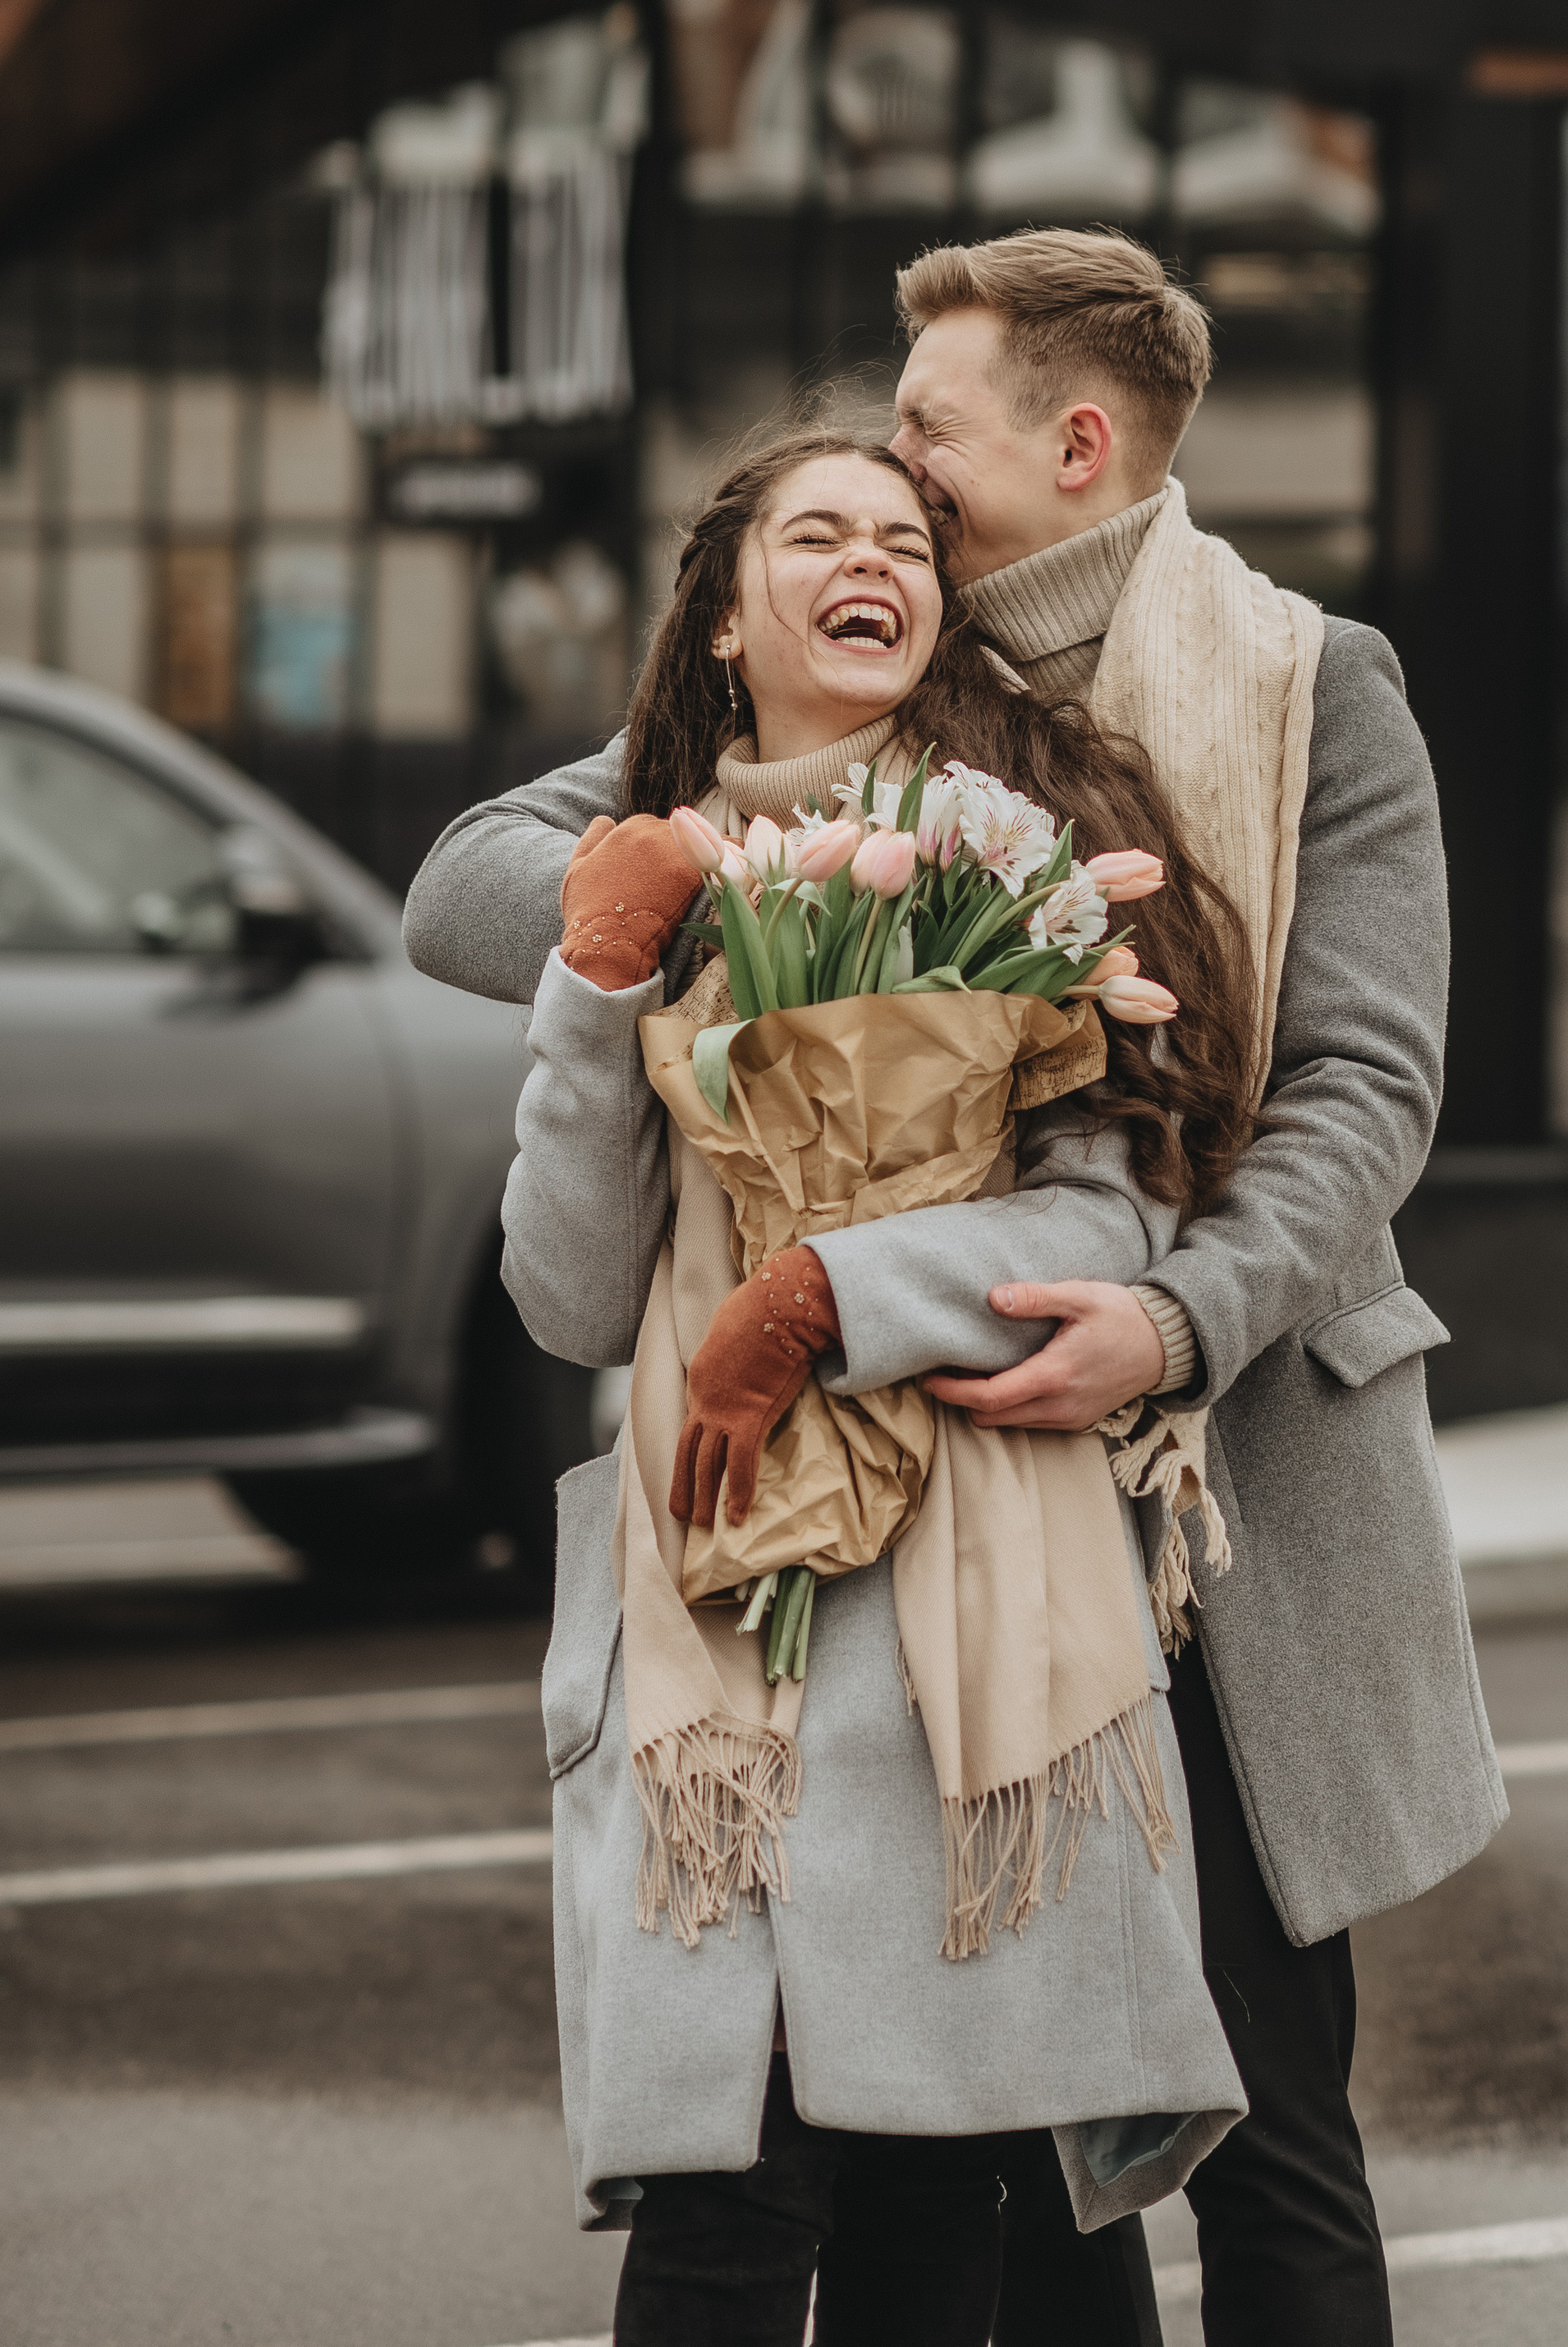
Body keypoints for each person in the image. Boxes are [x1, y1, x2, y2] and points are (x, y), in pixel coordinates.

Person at [406, 231, 1508, 2347]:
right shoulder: (856, 690)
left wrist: (1169, 1318)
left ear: (1070, 441)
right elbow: (476, 879)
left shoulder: (1296, 683)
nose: (881, 466)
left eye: (923, 428)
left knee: (1265, 2121)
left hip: (1220, 1459)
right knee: (983, 2125)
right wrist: (759, 880)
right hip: (912, 1463)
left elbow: (1366, 1085)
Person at [507, 425, 1252, 2347]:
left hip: (962, 1624)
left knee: (936, 2214)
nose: (877, 562)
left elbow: (1105, 1226)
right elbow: (571, 1295)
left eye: (908, 539)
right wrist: (595, 995)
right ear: (727, 614)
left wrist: (829, 1288)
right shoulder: (657, 877)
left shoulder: (1032, 874)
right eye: (818, 535)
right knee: (723, 2221)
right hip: (717, 1627)